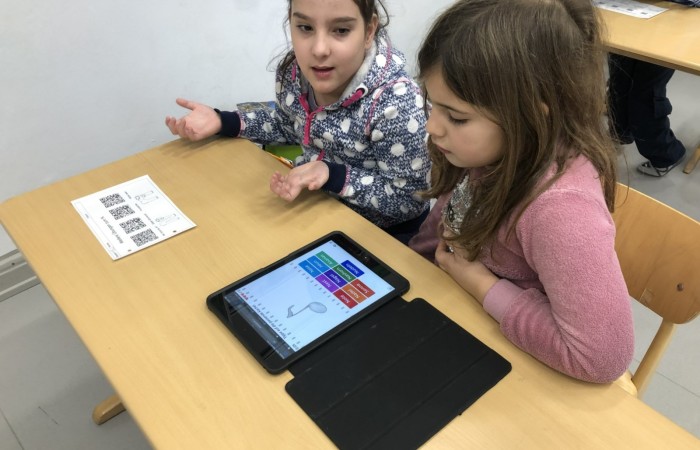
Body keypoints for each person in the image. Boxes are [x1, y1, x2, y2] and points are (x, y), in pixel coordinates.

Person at [408, 0, 634, 383]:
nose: (432, 126)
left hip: (524, 373)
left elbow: (601, 358)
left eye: (456, 117)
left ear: (530, 114)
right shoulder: (488, 151)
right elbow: (445, 226)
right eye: (432, 104)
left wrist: (480, 283)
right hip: (458, 321)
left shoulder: (562, 210)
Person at [165, 0, 430, 244]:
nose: (319, 49)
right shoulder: (294, 74)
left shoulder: (397, 104)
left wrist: (331, 174)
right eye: (305, 27)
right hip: (316, 211)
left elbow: (409, 200)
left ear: (369, 30)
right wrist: (223, 121)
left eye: (340, 30)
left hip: (385, 236)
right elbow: (286, 124)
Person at [607, 0, 699, 177]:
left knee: (645, 94)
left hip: (673, 18)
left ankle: (666, 155)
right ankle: (620, 132)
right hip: (629, 12)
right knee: (619, 81)